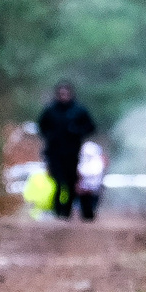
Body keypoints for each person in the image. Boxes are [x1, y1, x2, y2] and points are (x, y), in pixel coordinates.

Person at [33, 83, 96, 221]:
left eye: (66, 93)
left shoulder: (79, 110)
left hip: (72, 153)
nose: (64, 96)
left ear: (71, 94)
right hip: (54, 152)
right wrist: (50, 136)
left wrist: (77, 131)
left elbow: (91, 127)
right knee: (57, 181)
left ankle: (66, 211)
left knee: (71, 182)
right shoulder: (50, 111)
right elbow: (41, 127)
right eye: (61, 94)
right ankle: (58, 210)